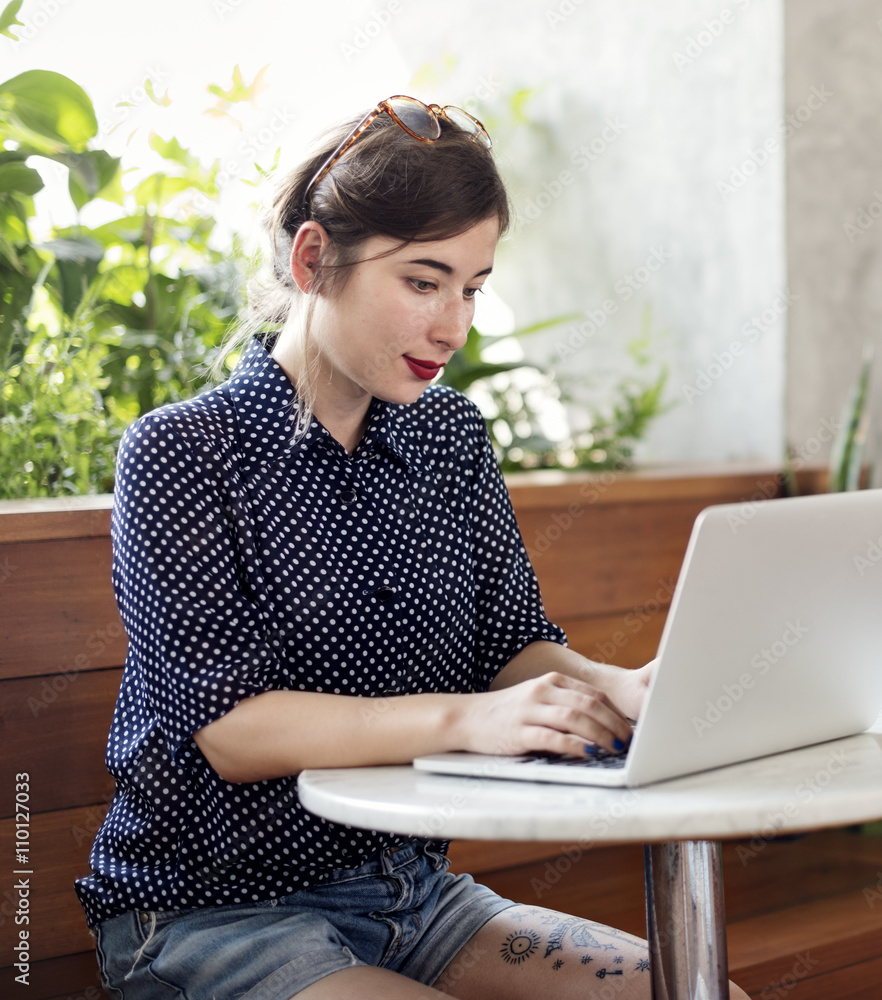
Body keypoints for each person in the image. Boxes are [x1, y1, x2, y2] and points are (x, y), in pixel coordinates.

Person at [77, 95, 749, 999]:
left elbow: (510, 645)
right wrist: (471, 720)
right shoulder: (184, 452)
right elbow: (235, 732)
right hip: (213, 914)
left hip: (416, 901)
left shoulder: (450, 438)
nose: (454, 327)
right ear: (315, 260)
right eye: (424, 282)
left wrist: (618, 689)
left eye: (472, 287)